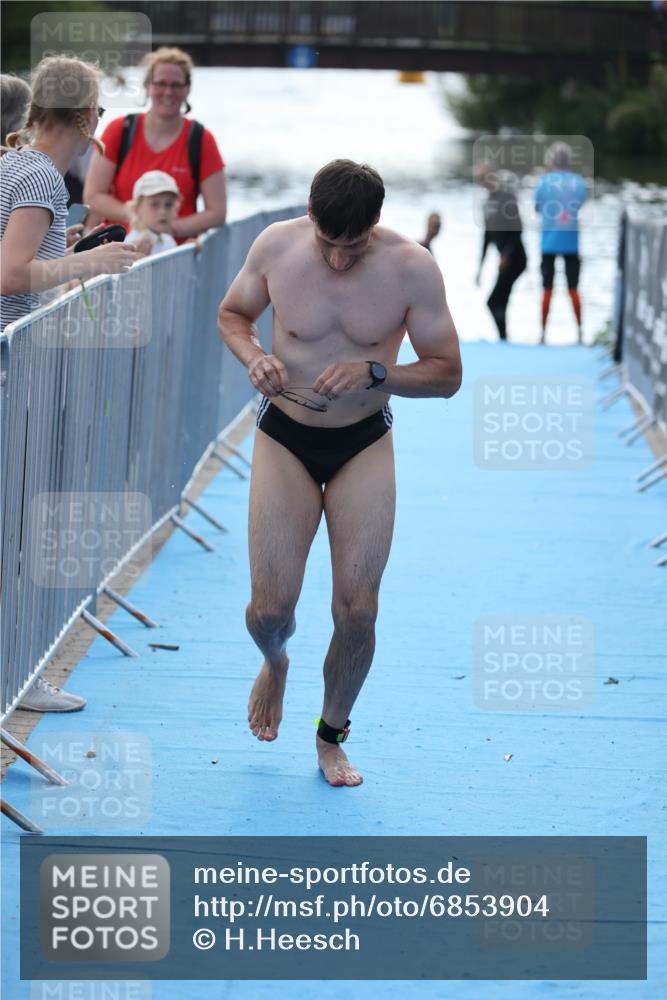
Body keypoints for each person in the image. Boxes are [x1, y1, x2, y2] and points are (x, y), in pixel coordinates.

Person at [218, 159, 462, 787]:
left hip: (363, 441)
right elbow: (233, 315)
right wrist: (253, 356)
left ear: (375, 223)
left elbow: (448, 374)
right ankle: (276, 662)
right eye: (328, 242)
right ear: (310, 216)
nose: (337, 259)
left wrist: (377, 372)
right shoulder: (276, 246)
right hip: (285, 437)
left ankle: (330, 736)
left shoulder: (411, 267)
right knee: (270, 611)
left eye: (352, 247)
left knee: (357, 611)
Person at [0, 55, 139, 711]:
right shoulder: (39, 176)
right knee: (23, 528)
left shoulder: (12, 165)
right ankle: (18, 676)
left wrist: (70, 253)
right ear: (87, 116)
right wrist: (93, 263)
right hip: (14, 370)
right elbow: (10, 274)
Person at [84, 46, 226, 241]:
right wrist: (136, 218)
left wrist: (168, 228)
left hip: (174, 252)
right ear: (147, 86)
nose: (168, 92)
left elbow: (217, 212)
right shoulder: (119, 130)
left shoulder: (201, 139)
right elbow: (93, 196)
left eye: (176, 85)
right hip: (120, 249)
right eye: (161, 83)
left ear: (187, 89)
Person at [535, 141, 588, 344]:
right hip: (571, 241)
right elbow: (579, 205)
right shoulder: (579, 183)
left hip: (548, 242)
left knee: (547, 287)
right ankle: (580, 333)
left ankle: (542, 334)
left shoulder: (543, 182)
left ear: (551, 160)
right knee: (573, 287)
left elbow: (537, 207)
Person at [474, 163, 526, 342]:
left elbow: (518, 230)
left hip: (516, 258)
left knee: (494, 301)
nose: (482, 182)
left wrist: (506, 255)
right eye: (479, 179)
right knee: (499, 301)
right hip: (504, 260)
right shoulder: (487, 203)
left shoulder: (507, 197)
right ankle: (504, 338)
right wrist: (480, 268)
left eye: (484, 177)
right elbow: (487, 237)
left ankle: (504, 339)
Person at [125, 170, 181, 256]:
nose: (163, 212)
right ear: (136, 209)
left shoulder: (169, 241)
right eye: (154, 204)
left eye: (168, 205)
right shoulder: (128, 245)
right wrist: (139, 259)